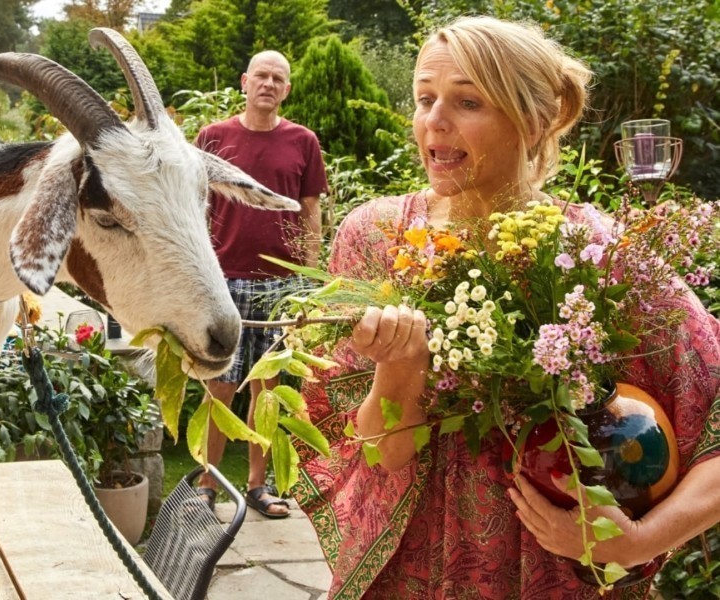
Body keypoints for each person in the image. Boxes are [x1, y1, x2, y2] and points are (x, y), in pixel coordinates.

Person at [292, 15, 720, 598]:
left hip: (551, 575)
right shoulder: (377, 237)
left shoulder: (594, 252)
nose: (434, 121)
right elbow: (385, 453)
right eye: (424, 98)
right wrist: (401, 366)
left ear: (535, 122)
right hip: (409, 573)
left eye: (467, 102)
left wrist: (638, 542)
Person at [195, 50, 328, 518]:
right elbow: (195, 205)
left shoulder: (303, 141)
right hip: (223, 282)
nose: (269, 84)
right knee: (220, 388)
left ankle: (257, 486)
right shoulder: (213, 137)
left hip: (280, 286)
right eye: (262, 76)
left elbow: (311, 212)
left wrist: (309, 279)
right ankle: (207, 485)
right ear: (245, 82)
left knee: (266, 392)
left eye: (278, 78)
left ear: (286, 89)